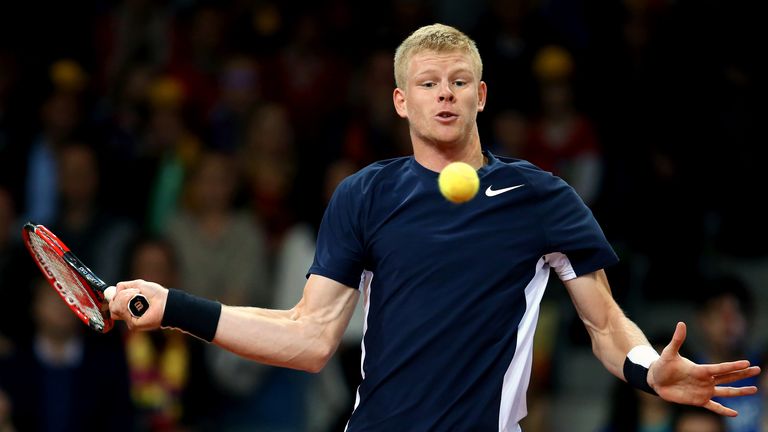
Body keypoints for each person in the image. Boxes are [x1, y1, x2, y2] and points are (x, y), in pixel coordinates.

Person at [109, 24, 760, 431]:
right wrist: (172, 307)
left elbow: (605, 324)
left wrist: (648, 370)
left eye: (459, 81)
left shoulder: (541, 197)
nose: (444, 93)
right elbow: (308, 338)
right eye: (427, 82)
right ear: (401, 100)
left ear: (482, 95)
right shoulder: (364, 194)